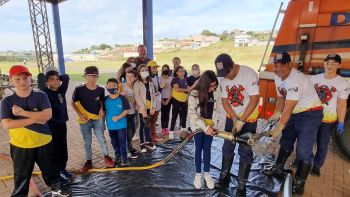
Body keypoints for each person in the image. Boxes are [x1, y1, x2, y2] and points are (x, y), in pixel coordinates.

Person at [0, 65, 71, 196]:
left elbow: (47, 116)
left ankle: (57, 187)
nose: (22, 82)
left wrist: (22, 113)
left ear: (29, 78)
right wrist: (36, 118)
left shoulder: (41, 95)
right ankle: (20, 194)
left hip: (44, 141)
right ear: (11, 80)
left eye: (25, 78)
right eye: (18, 79)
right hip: (21, 144)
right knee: (22, 174)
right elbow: (8, 124)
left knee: (50, 170)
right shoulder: (7, 101)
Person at [262, 52, 323, 195]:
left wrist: (279, 126)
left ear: (290, 65)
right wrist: (276, 113)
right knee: (286, 141)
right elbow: (281, 97)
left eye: (282, 65)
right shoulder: (278, 76)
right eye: (275, 65)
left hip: (310, 114)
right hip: (295, 112)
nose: (278, 69)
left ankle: (300, 181)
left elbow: (288, 108)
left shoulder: (295, 80)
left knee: (303, 151)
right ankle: (278, 167)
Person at [215, 54, 259, 197]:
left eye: (226, 73)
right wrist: (234, 118)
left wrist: (242, 120)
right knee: (227, 146)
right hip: (231, 117)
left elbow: (254, 100)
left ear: (232, 65)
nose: (225, 77)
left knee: (245, 150)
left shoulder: (249, 74)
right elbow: (225, 101)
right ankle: (225, 176)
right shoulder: (223, 78)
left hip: (249, 118)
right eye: (222, 74)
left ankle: (241, 184)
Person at [308, 53, 350, 175]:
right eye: (327, 63)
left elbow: (342, 104)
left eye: (334, 63)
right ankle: (305, 160)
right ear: (324, 64)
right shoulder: (314, 79)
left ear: (339, 65)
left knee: (322, 144)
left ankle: (317, 166)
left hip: (327, 120)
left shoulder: (343, 83)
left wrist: (341, 122)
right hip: (311, 117)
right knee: (307, 141)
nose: (330, 65)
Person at [71, 66, 114, 173]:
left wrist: (101, 109)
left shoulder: (101, 89)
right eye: (89, 76)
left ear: (97, 77)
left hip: (97, 119)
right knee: (87, 141)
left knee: (101, 139)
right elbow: (72, 103)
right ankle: (88, 161)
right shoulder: (79, 89)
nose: (91, 79)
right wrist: (80, 114)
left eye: (94, 76)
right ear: (85, 77)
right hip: (84, 121)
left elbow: (101, 101)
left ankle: (106, 156)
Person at [38, 66, 73, 182]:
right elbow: (40, 77)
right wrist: (49, 74)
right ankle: (56, 171)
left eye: (57, 79)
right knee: (54, 149)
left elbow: (66, 77)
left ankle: (62, 169)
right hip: (50, 126)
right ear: (47, 82)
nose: (56, 81)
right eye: (52, 79)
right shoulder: (45, 92)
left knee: (63, 147)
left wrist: (56, 75)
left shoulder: (61, 91)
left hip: (62, 124)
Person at [188, 70, 219, 189]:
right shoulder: (194, 94)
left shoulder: (216, 91)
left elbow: (217, 110)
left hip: (210, 127)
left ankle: (207, 173)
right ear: (205, 84)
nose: (213, 88)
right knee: (198, 149)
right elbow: (193, 115)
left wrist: (214, 125)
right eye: (211, 86)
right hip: (199, 127)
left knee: (207, 149)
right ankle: (198, 174)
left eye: (215, 85)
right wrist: (204, 127)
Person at [105, 78, 131, 167]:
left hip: (121, 125)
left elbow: (127, 110)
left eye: (114, 85)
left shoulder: (122, 98)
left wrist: (118, 117)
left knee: (122, 142)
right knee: (114, 142)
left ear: (117, 86)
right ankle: (117, 155)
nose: (111, 87)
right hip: (110, 126)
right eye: (109, 85)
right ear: (106, 86)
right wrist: (103, 124)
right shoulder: (105, 99)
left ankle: (124, 158)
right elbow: (103, 112)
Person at [134, 64, 157, 152]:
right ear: (139, 72)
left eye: (146, 70)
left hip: (149, 107)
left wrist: (153, 107)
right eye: (142, 70)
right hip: (141, 108)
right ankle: (142, 143)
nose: (144, 72)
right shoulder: (137, 83)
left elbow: (153, 95)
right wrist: (142, 109)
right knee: (142, 125)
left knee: (148, 124)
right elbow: (137, 96)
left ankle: (148, 141)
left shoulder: (150, 82)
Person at [121, 69, 139, 159]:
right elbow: (114, 95)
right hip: (125, 113)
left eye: (131, 77)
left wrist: (136, 104)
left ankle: (130, 147)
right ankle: (127, 151)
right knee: (128, 132)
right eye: (127, 76)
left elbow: (135, 98)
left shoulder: (136, 86)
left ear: (135, 78)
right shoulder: (122, 86)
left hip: (134, 112)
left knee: (133, 130)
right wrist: (120, 94)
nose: (129, 78)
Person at [169, 66, 191, 138]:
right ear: (176, 73)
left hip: (184, 101)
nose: (182, 73)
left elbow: (188, 89)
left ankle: (183, 130)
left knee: (184, 115)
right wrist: (186, 90)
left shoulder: (186, 79)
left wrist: (187, 91)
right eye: (180, 71)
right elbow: (177, 89)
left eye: (183, 71)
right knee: (174, 116)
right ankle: (171, 131)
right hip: (176, 101)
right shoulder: (175, 79)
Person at [147, 60, 163, 142]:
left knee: (155, 118)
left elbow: (158, 88)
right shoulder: (146, 78)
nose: (155, 69)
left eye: (156, 67)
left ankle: (153, 134)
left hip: (157, 99)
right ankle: (151, 135)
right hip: (150, 101)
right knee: (150, 119)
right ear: (149, 68)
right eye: (153, 67)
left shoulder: (156, 76)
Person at [159, 64, 172, 136]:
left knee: (167, 113)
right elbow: (158, 90)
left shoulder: (171, 79)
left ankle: (166, 128)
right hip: (161, 98)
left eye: (166, 69)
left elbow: (172, 91)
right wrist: (161, 100)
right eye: (163, 69)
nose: (165, 71)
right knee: (162, 114)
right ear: (162, 71)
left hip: (168, 98)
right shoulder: (159, 78)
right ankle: (163, 128)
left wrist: (168, 100)